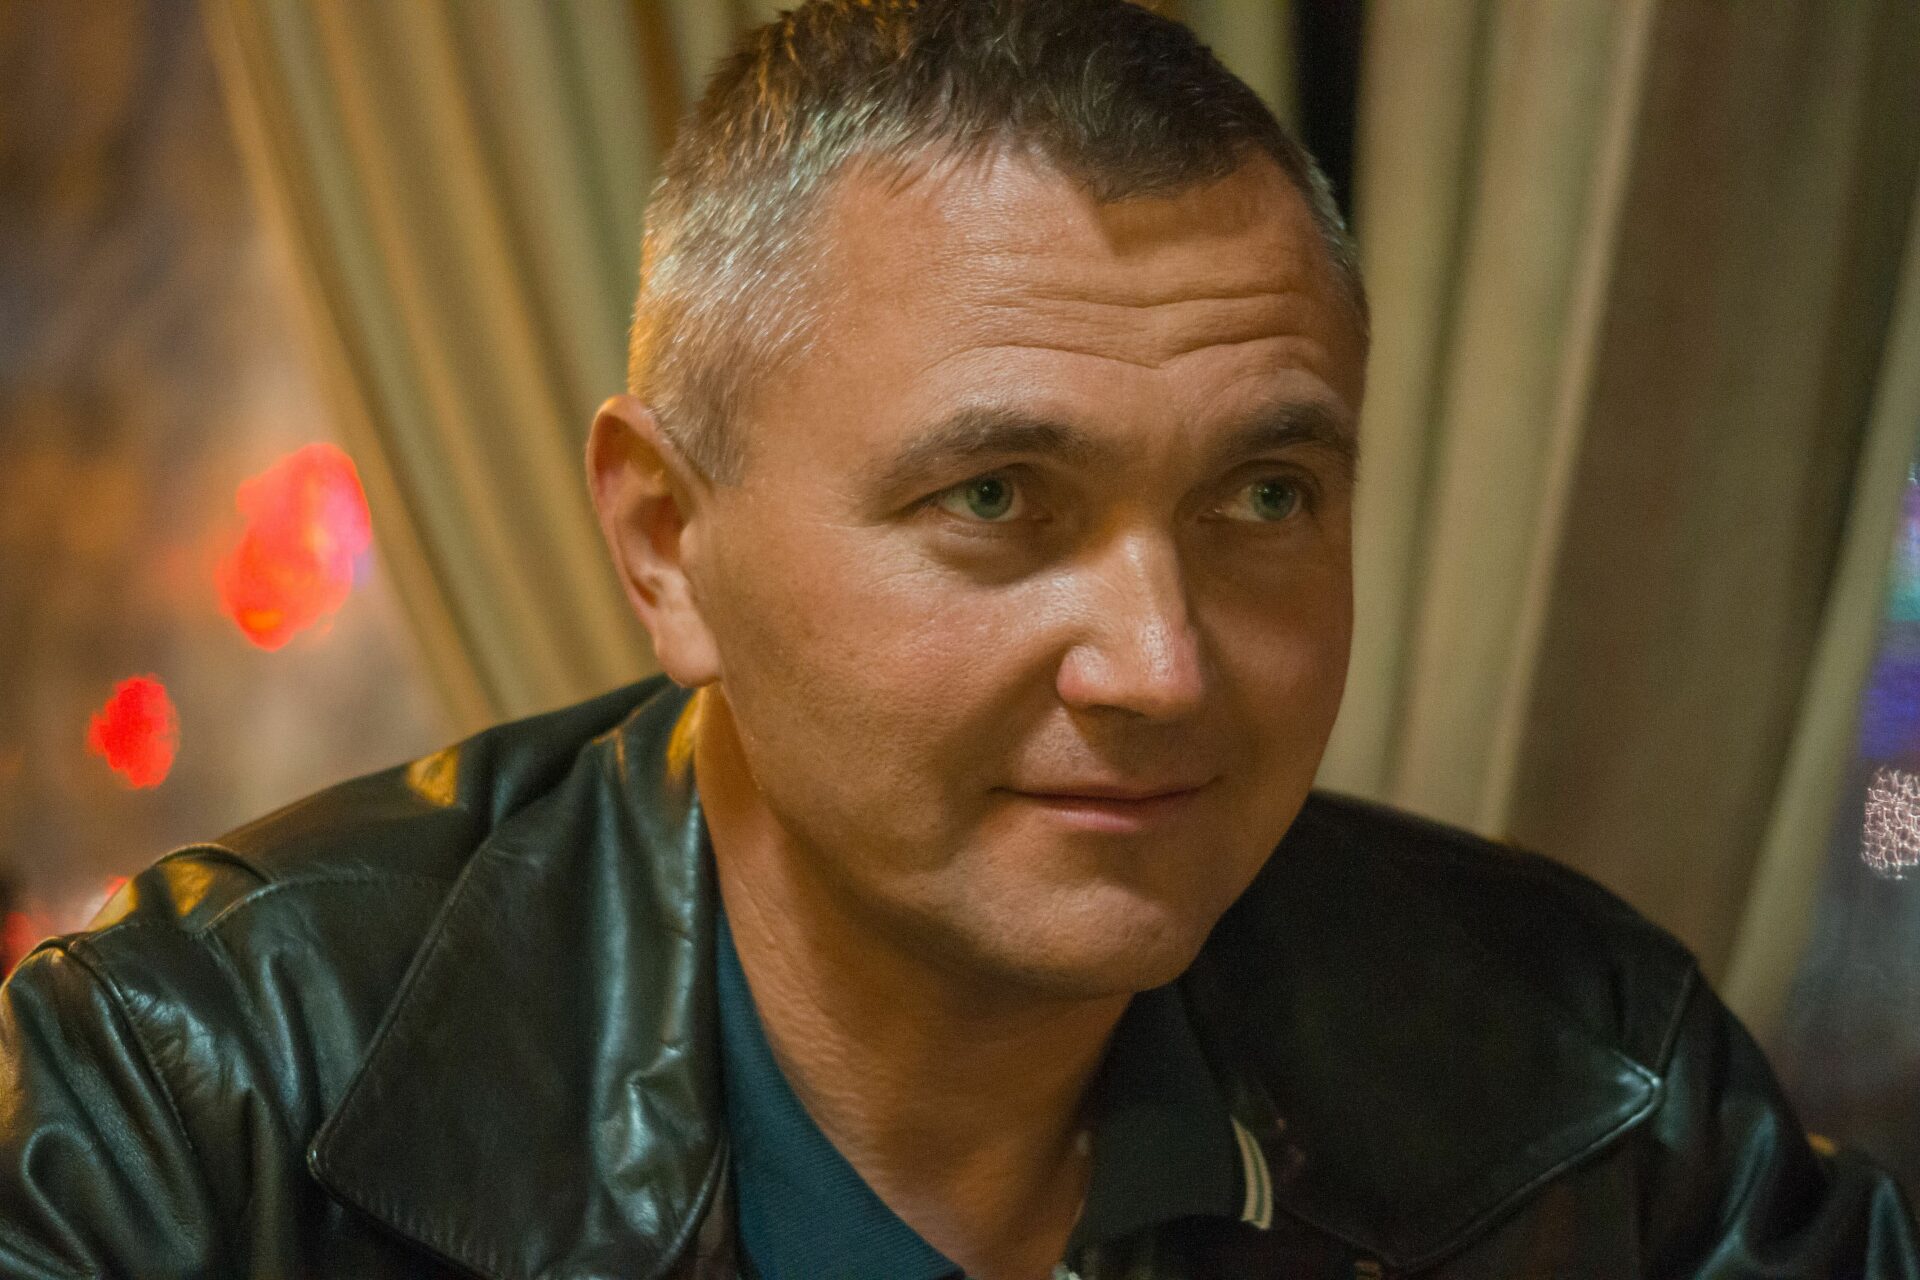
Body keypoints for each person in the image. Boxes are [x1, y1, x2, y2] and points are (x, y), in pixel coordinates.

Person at [2, 2, 1914, 1276]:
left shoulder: (1593, 1093)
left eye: (1264, 498)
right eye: (996, 497)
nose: (1163, 667)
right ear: (667, 543)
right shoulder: (188, 1104)